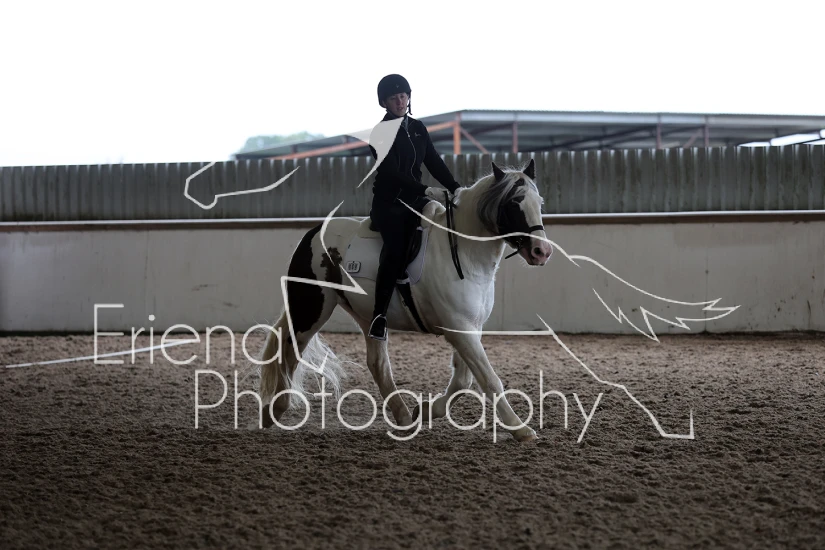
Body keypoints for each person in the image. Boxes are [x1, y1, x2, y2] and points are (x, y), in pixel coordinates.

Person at [367, 74, 461, 341]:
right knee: (396, 249)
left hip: (416, 200)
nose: (400, 101)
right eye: (394, 98)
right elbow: (390, 173)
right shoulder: (380, 133)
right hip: (390, 203)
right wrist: (425, 190)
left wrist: (456, 187)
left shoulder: (418, 128)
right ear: (384, 102)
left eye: (403, 96)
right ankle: (379, 316)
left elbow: (433, 161)